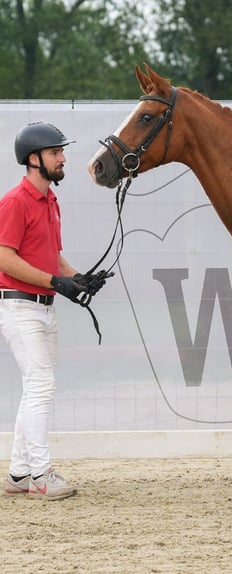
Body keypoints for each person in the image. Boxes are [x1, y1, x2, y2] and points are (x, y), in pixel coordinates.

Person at [0, 122, 105, 500]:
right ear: (34, 159)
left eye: (61, 152)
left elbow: (51, 257)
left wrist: (80, 279)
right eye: (56, 152)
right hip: (20, 307)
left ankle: (18, 474)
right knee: (41, 385)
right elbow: (3, 257)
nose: (63, 158)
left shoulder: (49, 201)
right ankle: (41, 475)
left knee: (35, 387)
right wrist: (52, 281)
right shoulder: (15, 201)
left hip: (43, 307)